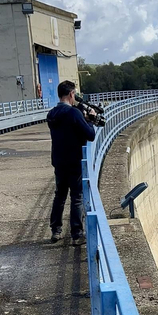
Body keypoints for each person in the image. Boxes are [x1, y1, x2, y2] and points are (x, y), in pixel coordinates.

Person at [47, 80, 96, 245]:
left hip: (59, 161)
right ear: (71, 94)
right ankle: (76, 235)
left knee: (59, 196)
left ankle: (56, 230)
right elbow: (90, 135)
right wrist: (90, 119)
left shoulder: (52, 114)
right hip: (74, 161)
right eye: (74, 94)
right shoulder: (74, 114)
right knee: (76, 197)